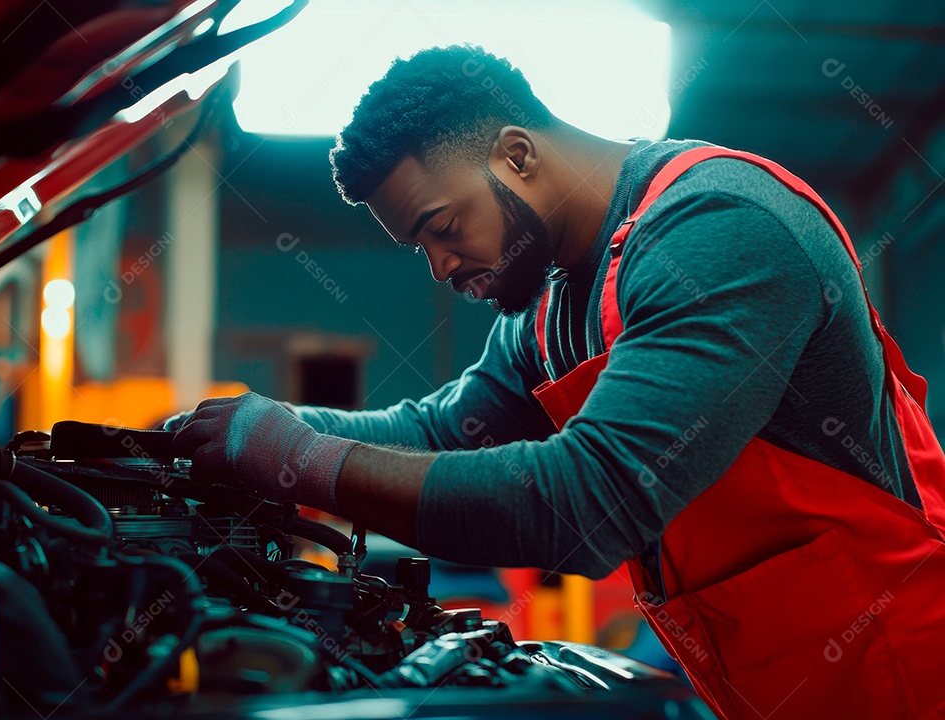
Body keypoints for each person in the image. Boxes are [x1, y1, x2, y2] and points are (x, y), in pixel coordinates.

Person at [173, 45, 945, 718]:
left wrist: (299, 460)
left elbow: (589, 503)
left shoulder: (718, 230)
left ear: (516, 155)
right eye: (419, 248)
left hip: (902, 678)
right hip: (764, 678)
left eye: (442, 229)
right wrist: (253, 427)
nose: (441, 268)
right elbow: (442, 432)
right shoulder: (549, 301)